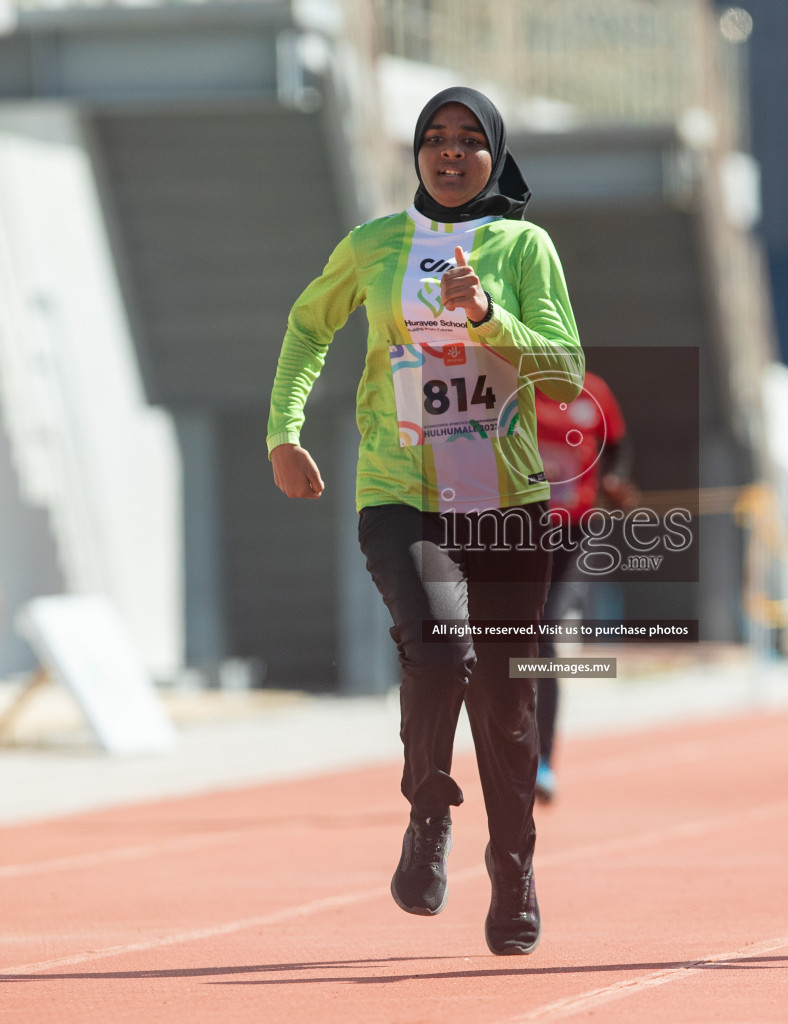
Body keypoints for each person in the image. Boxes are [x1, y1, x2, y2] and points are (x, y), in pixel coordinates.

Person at [267, 86, 584, 953]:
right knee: (441, 651)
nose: (450, 153)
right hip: (398, 488)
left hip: (505, 499)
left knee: (506, 699)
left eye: (470, 139)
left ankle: (514, 869)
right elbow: (306, 327)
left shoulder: (524, 247)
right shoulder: (375, 245)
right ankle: (429, 812)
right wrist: (283, 432)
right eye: (435, 138)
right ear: (416, 152)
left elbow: (563, 374)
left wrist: (488, 315)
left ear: (496, 155)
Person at [531, 371, 635, 802]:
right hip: (514, 530)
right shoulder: (510, 385)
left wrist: (614, 481)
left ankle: (542, 761)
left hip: (573, 534)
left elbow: (618, 448)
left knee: (542, 634)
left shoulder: (595, 392)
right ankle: (508, 748)